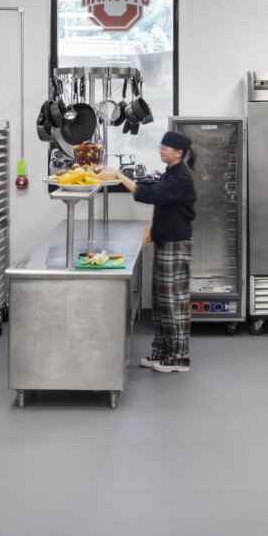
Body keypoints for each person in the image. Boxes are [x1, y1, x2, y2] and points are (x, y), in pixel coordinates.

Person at [112, 130, 197, 373]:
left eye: (165, 148)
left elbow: (150, 195)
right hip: (165, 238)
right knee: (162, 301)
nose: (161, 150)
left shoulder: (181, 177)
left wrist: (119, 176)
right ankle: (162, 353)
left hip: (176, 243)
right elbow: (167, 204)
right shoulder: (172, 172)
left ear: (178, 153)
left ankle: (180, 358)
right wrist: (152, 226)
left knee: (174, 301)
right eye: (160, 146)